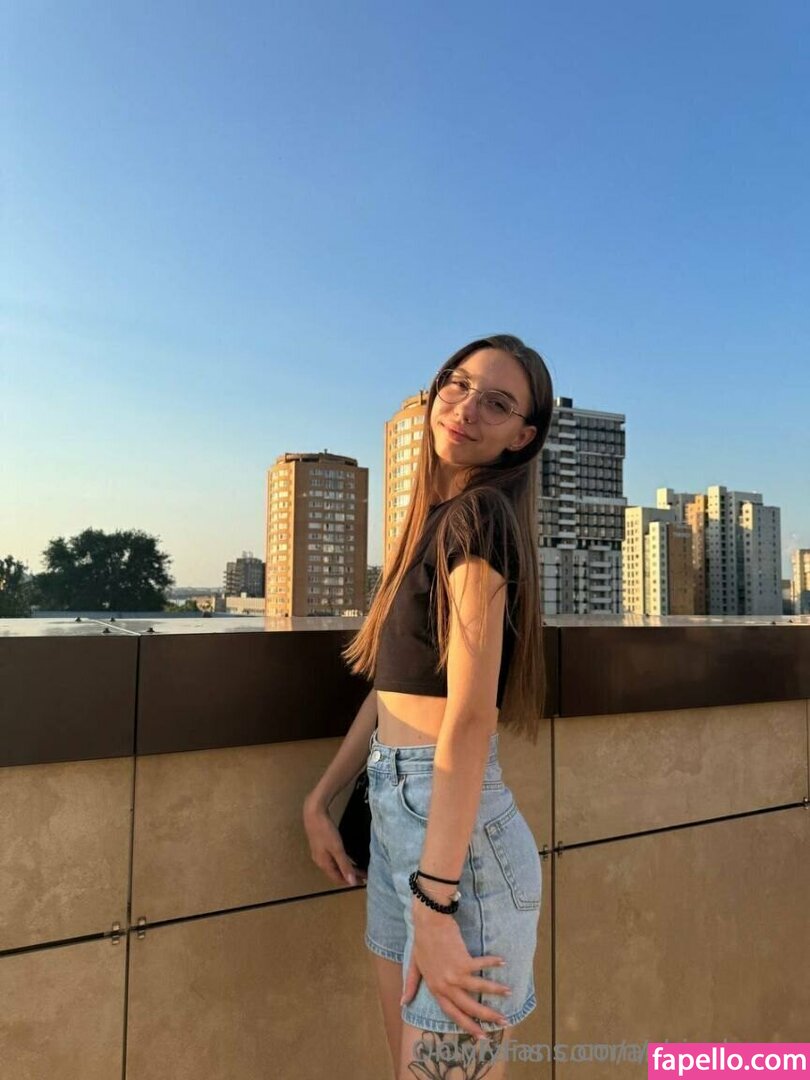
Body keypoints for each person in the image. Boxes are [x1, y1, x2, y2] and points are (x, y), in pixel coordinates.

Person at [303, 334, 554, 1079]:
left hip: (454, 854)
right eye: (458, 384)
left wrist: (438, 903)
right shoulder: (436, 524)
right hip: (401, 823)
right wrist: (324, 796)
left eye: (497, 403)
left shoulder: (480, 518)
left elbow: (469, 717)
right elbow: (396, 692)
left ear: (522, 437)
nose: (467, 408)